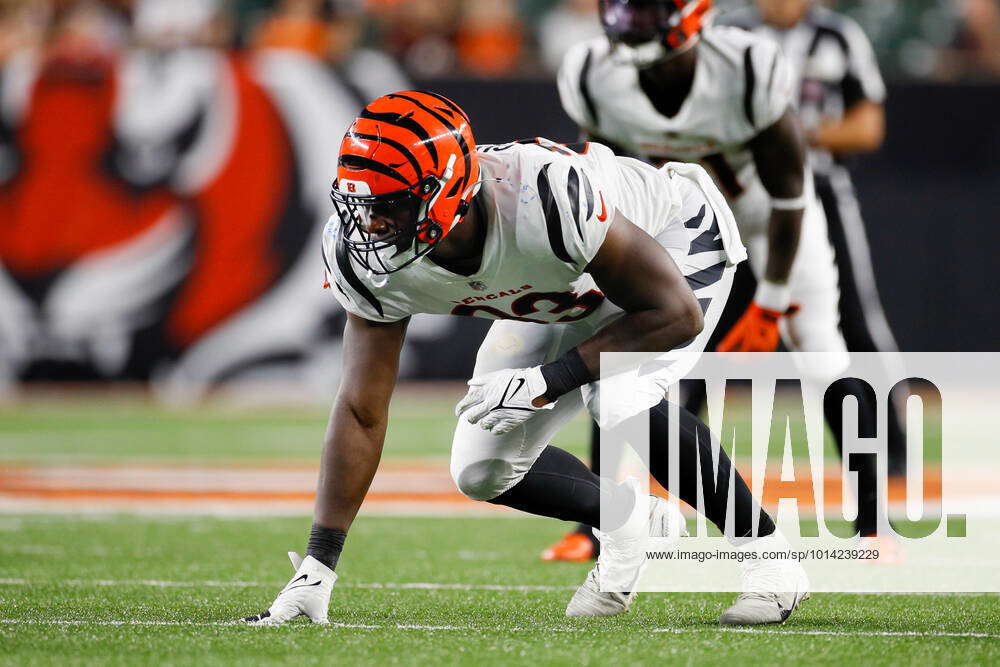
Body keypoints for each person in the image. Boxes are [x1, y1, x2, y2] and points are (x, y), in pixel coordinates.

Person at [243, 90, 809, 627]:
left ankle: (770, 555)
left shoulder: (544, 199)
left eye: (390, 206)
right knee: (481, 470)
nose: (370, 226)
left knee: (619, 399)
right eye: (363, 204)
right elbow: (361, 410)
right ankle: (630, 522)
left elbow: (674, 313)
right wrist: (319, 565)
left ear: (446, 194)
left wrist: (550, 379)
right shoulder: (364, 258)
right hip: (562, 291)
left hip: (669, 247)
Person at [547, 0, 887, 562]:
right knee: (621, 353)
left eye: (647, 7)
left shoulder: (747, 66)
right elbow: (601, 169)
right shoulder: (590, 72)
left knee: (820, 351)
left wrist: (772, 303)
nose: (630, 20)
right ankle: (597, 527)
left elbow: (791, 188)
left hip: (767, 215)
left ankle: (874, 526)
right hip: (678, 221)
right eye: (622, 6)